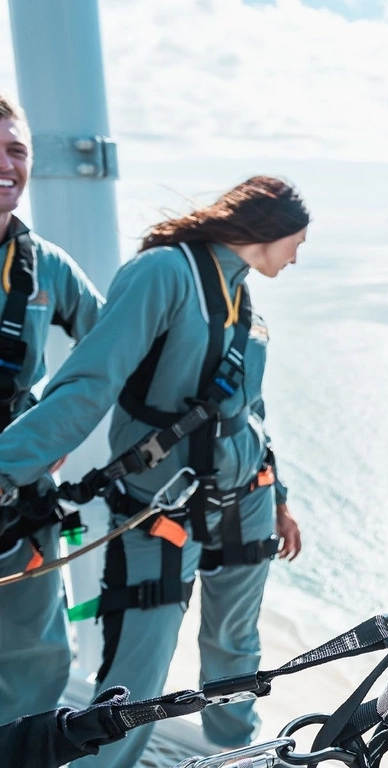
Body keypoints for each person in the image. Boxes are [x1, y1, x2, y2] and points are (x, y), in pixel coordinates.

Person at [0, 175, 308, 768]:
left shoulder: (243, 298)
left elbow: (250, 411)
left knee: (237, 650)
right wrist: (8, 468)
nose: (299, 255)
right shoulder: (163, 273)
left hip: (246, 501)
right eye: (299, 240)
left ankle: (239, 754)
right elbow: (89, 384)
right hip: (160, 508)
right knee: (135, 679)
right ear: (273, 226)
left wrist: (281, 500)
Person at [0, 91, 105, 725]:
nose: (7, 165)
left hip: (18, 507)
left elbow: (112, 346)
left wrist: (56, 427)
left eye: (17, 150)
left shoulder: (44, 268)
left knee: (35, 661)